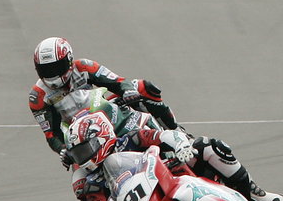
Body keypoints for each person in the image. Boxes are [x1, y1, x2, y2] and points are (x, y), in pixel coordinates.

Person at [62, 113, 282, 201]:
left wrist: (180, 146)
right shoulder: (88, 180)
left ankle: (256, 197)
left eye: (84, 150)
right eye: (77, 153)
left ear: (102, 137)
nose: (82, 157)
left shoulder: (131, 138)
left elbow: (162, 136)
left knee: (208, 146)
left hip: (171, 180)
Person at [27, 37, 179, 159]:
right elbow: (51, 134)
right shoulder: (38, 96)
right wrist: (63, 149)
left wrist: (127, 91)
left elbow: (117, 81)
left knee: (142, 87)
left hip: (104, 113)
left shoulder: (84, 67)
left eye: (55, 67)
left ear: (69, 60)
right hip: (80, 138)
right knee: (82, 188)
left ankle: (176, 132)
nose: (51, 74)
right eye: (45, 69)